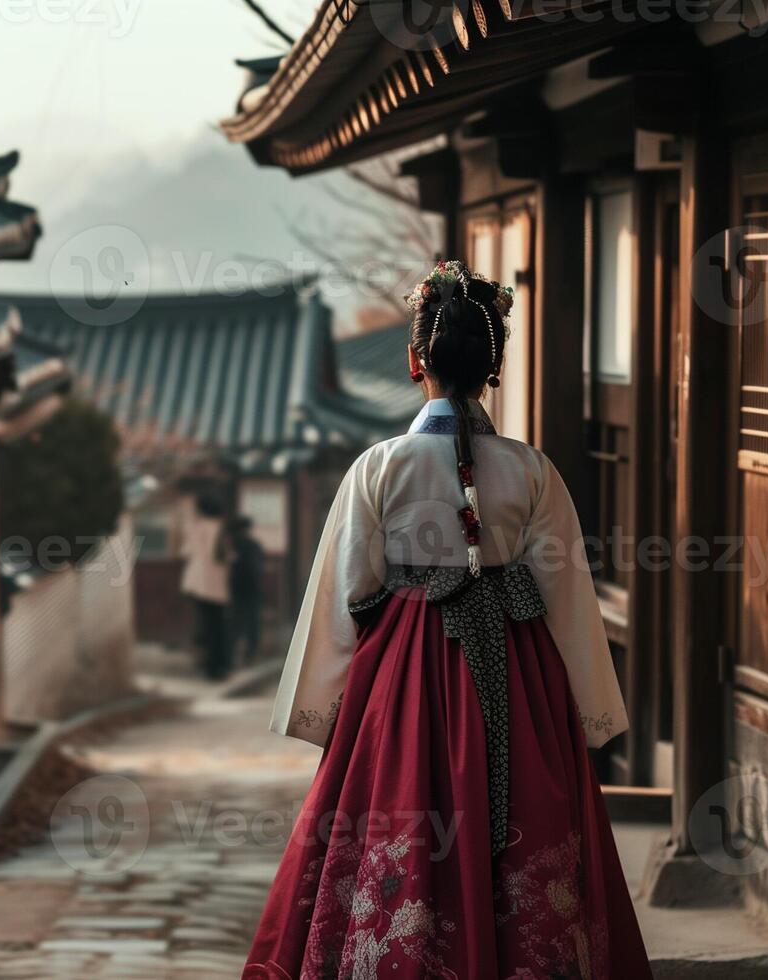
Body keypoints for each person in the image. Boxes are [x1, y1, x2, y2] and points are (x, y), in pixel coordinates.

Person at [242, 261, 651, 978]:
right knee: (526, 824)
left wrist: (324, 711)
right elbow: (567, 599)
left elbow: (345, 591)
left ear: (413, 362)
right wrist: (586, 711)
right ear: (493, 366)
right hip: (517, 669)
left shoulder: (378, 467)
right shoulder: (530, 471)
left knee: (397, 811)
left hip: (400, 672)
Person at [181, 493, 232, 680]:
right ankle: (221, 666)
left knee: (206, 626)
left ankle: (210, 666)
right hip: (218, 584)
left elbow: (187, 551)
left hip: (199, 584)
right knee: (219, 626)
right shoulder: (222, 528)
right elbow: (227, 557)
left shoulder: (197, 528)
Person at [226, 515, 265, 665]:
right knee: (251, 623)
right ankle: (250, 654)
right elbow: (258, 567)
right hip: (252, 589)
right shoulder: (253, 545)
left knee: (237, 623)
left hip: (238, 590)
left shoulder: (234, 545)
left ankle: (235, 655)